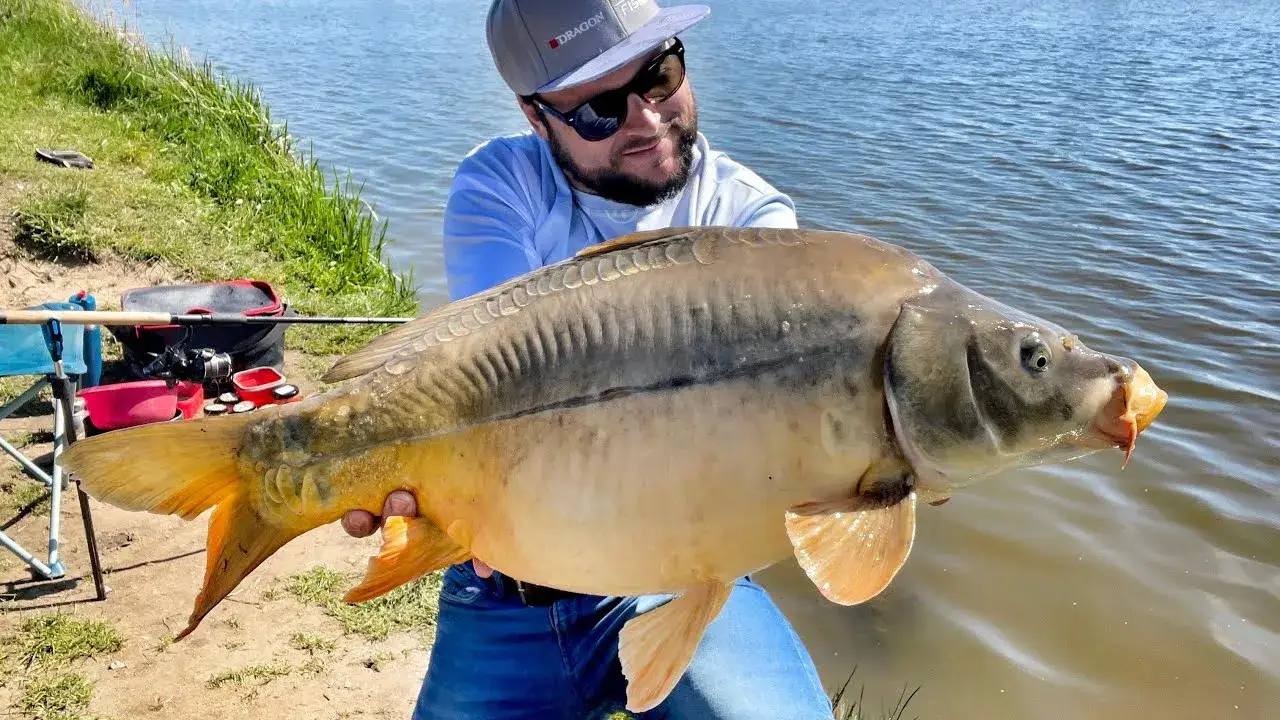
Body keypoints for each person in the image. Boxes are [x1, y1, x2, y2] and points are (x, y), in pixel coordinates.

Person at [341, 1, 834, 717]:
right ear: (535, 116)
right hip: (505, 586)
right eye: (600, 110)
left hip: (686, 571)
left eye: (659, 76)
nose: (645, 119)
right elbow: (492, 387)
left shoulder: (754, 223)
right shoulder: (499, 187)